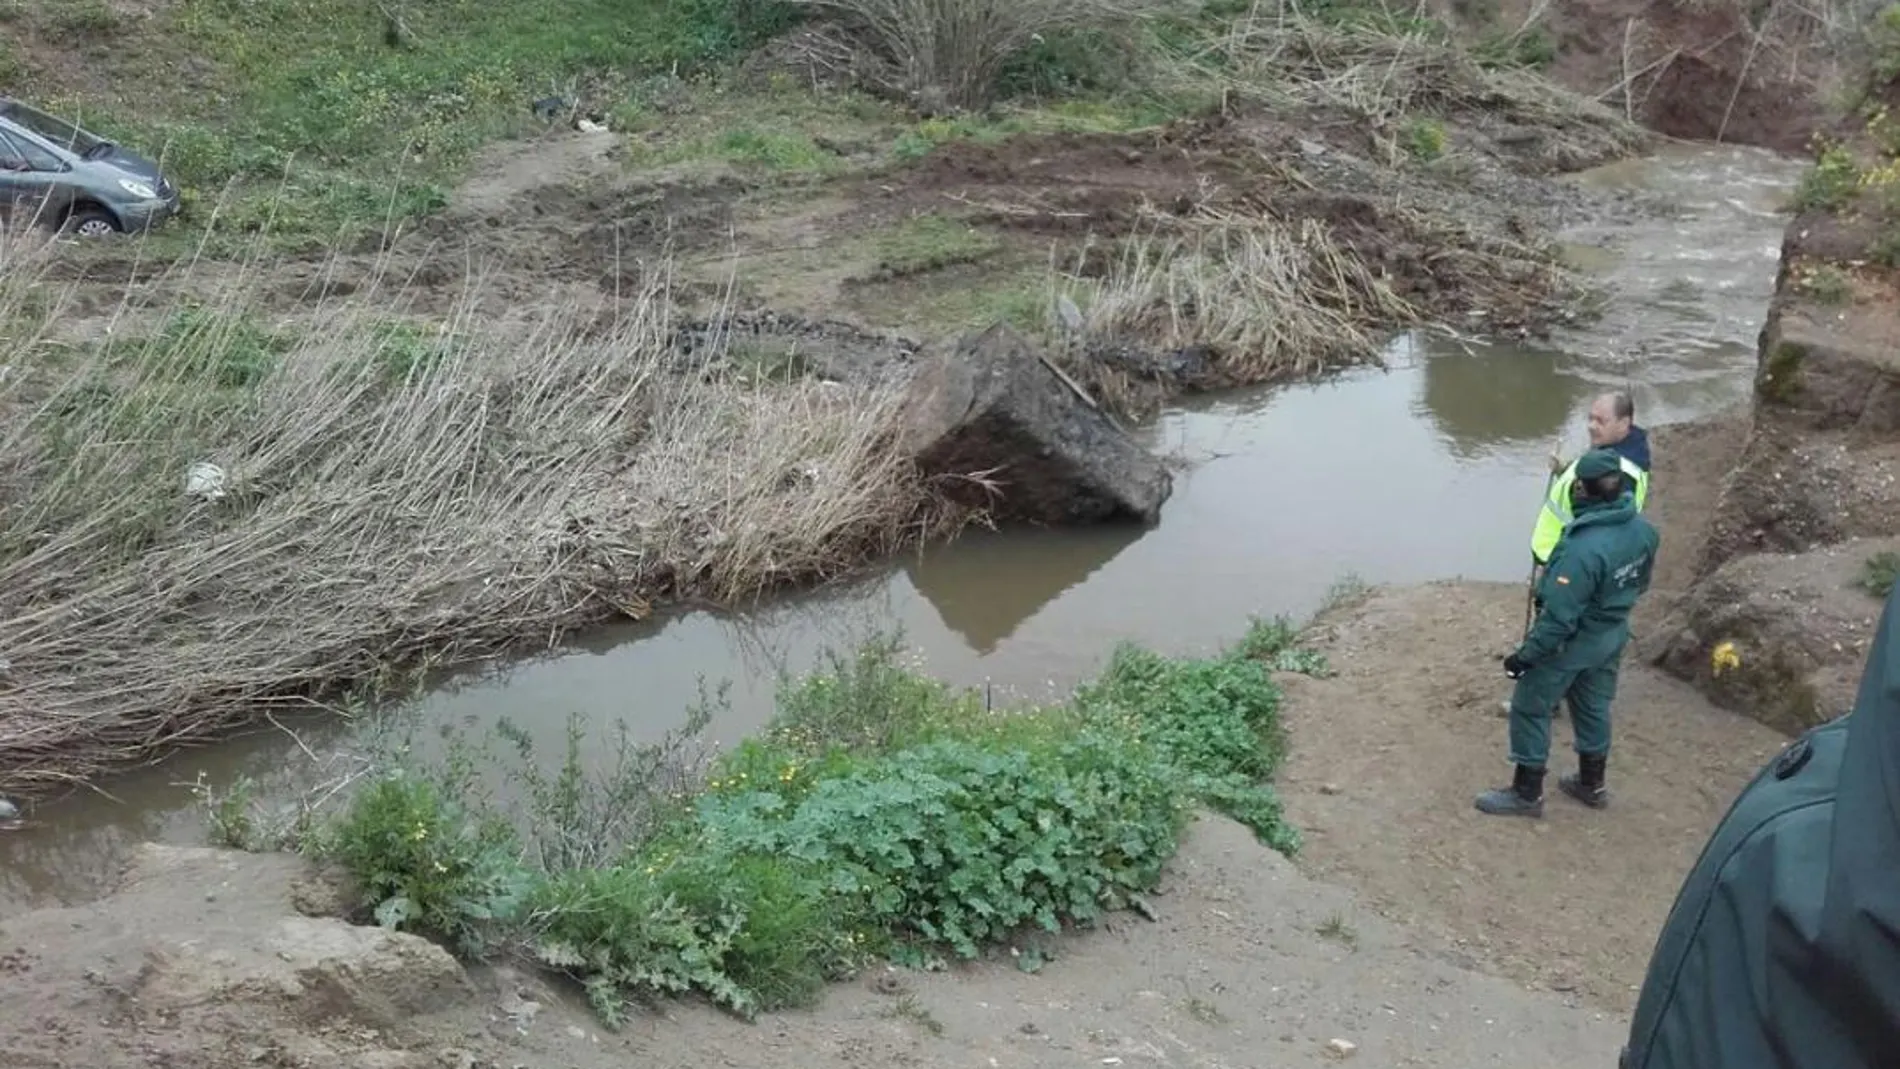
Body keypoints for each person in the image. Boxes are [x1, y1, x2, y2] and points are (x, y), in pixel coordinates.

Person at [1477, 448, 1660, 818]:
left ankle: (1526, 794)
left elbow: (1558, 621)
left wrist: (1522, 659)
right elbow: (1641, 584)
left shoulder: (1582, 550)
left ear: (1584, 491)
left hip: (1572, 643)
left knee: (1530, 706)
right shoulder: (1644, 532)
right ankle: (1592, 784)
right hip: (1611, 635)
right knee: (1593, 706)